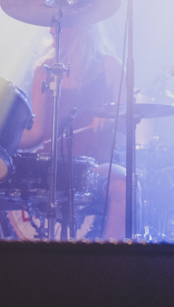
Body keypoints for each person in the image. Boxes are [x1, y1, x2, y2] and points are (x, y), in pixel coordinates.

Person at [17, 23, 128, 238]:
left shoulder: (110, 66)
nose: (50, 30)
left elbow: (129, 122)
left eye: (58, 25)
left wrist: (112, 117)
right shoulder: (44, 71)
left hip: (97, 165)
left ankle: (116, 263)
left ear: (81, 25)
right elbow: (36, 132)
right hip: (52, 166)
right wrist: (1, 142)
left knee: (124, 185)